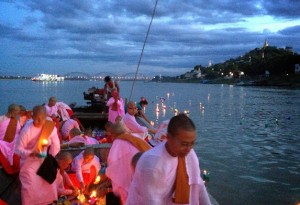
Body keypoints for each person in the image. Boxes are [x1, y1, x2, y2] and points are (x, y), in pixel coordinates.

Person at [126, 114, 211, 205]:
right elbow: (151, 201)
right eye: (184, 144)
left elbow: (198, 185)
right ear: (169, 138)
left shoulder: (189, 154)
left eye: (192, 143)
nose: (189, 148)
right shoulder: (153, 164)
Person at [15, 105, 60, 205]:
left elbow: (56, 146)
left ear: (45, 117)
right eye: (35, 119)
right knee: (30, 186)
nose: (37, 122)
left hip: (44, 160)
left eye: (40, 119)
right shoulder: (27, 129)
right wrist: (30, 153)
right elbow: (18, 149)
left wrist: (49, 159)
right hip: (29, 162)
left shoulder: (50, 127)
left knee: (48, 184)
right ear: (32, 116)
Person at [106, 123, 151, 205]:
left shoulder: (117, 142)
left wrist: (108, 175)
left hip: (128, 172)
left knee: (127, 194)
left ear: (113, 134)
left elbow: (112, 161)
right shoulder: (134, 138)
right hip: (139, 169)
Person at [0, 104, 21, 174]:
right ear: (12, 111)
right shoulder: (1, 119)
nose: (17, 114)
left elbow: (19, 132)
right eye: (16, 112)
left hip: (14, 141)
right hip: (2, 142)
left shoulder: (16, 121)